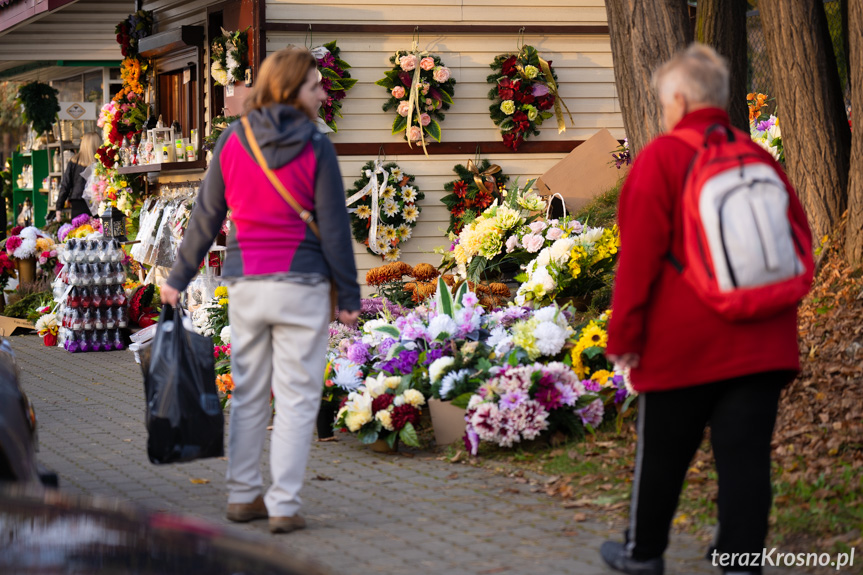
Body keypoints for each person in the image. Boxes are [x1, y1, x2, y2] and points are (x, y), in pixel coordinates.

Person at [600, 44, 811, 575]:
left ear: (677, 98)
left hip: (683, 348)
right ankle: (740, 562)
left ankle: (642, 553)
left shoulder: (661, 158)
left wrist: (623, 339)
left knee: (664, 457)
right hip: (764, 344)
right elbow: (798, 240)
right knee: (745, 463)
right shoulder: (758, 157)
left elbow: (638, 262)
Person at [160, 47, 361, 534]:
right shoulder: (316, 146)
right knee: (296, 399)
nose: (321, 92)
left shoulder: (233, 140)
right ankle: (285, 504)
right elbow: (335, 228)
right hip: (303, 285)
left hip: (247, 284)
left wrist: (177, 278)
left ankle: (242, 496)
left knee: (249, 394)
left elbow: (205, 218)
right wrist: (350, 298)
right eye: (315, 85)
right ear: (291, 90)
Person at [54, 131, 102, 221]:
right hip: (96, 204)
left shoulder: (74, 161)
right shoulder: (100, 162)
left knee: (78, 233)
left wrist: (58, 208)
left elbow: (65, 185)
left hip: (77, 204)